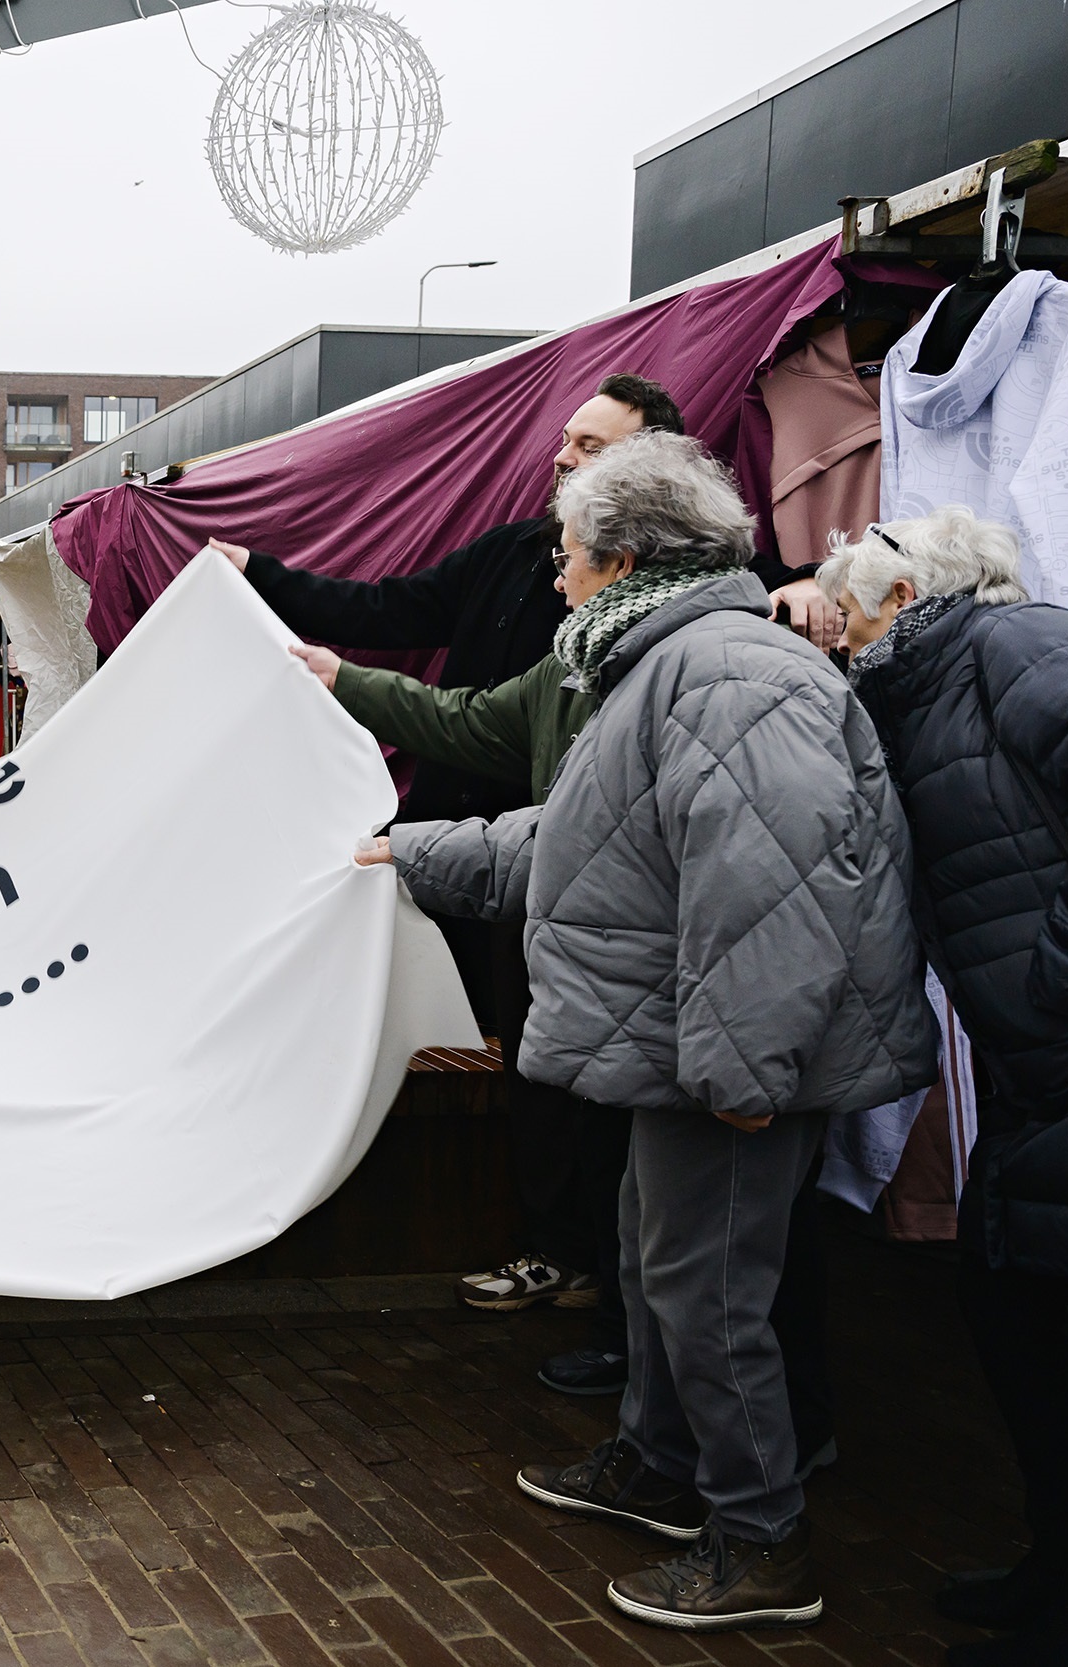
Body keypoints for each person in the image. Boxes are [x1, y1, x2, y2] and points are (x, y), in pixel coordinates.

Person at [368, 431, 935, 1631]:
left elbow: (771, 885)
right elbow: (579, 840)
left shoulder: (722, 674)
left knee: (707, 1291)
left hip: (722, 1063)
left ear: (625, 561)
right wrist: (411, 852)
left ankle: (759, 1537)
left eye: (568, 557)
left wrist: (743, 1072)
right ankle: (662, 1465)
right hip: (685, 1047)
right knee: (654, 1261)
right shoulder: (667, 665)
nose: (556, 578)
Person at [210, 373, 685, 1386]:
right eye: (565, 439)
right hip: (463, 857)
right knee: (524, 1063)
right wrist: (261, 575)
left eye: (591, 447)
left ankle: (598, 1280)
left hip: (561, 882)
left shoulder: (684, 634)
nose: (562, 457)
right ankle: (572, 1261)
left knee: (575, 1075)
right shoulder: (518, 559)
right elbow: (407, 638)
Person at [819, 510, 1068, 1667]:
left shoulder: (1016, 643)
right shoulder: (922, 689)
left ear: (902, 599)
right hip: (1040, 1071)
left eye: (845, 609)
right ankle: (1060, 1567)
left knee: (1054, 1335)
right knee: (1007, 1317)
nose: (835, 635)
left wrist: (1059, 980)